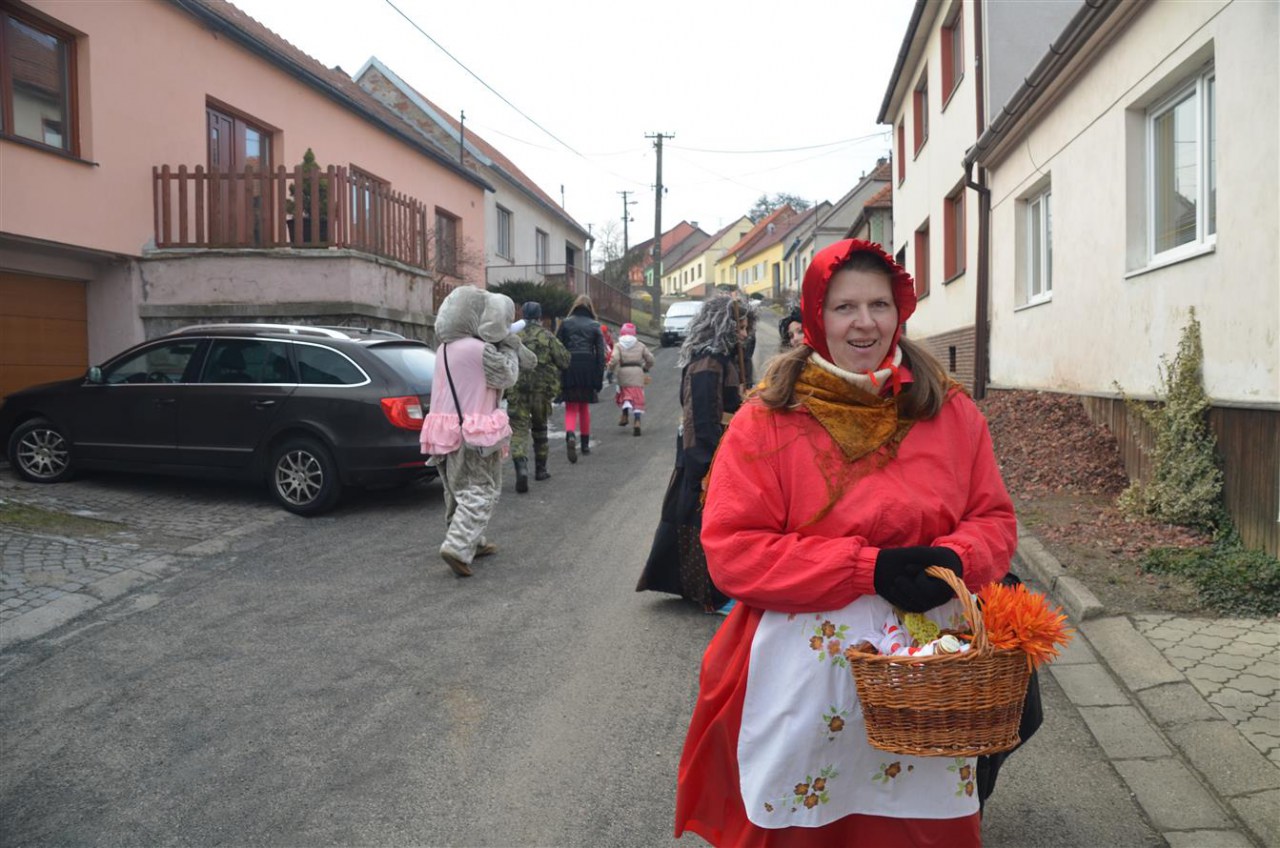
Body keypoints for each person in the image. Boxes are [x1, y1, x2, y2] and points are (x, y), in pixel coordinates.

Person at [672, 239, 1018, 846]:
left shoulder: (950, 411)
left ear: (899, 312)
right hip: (801, 675)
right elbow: (732, 550)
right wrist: (865, 569)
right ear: (815, 317)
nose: (865, 323)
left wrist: (954, 559)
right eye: (844, 307)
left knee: (922, 828)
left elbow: (993, 519)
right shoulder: (767, 420)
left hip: (927, 674)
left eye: (879, 305)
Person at [636, 295, 751, 614]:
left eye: (746, 327)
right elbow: (699, 418)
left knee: (705, 519)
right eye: (739, 327)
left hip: (719, 451)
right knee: (703, 521)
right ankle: (712, 592)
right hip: (704, 453)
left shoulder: (724, 359)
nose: (744, 334)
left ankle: (706, 588)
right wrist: (707, 465)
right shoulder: (707, 363)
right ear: (723, 326)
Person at [420, 285, 535, 577]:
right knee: (482, 490)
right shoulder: (478, 349)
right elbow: (507, 375)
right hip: (472, 432)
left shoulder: (444, 349)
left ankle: (471, 540)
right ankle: (458, 546)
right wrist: (509, 347)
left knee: (456, 491)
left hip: (443, 430)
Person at [508, 301, 571, 493]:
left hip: (517, 390)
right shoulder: (547, 336)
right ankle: (541, 470)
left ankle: (521, 467)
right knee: (540, 429)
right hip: (541, 392)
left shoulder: (514, 337)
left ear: (522, 315)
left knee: (518, 430)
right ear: (540, 316)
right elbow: (564, 360)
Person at [556, 294, 607, 462]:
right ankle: (585, 445)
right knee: (584, 407)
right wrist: (599, 377)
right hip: (587, 367)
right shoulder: (594, 325)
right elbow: (600, 353)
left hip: (569, 366)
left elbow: (557, 347)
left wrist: (559, 371)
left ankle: (570, 435)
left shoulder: (565, 323)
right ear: (590, 308)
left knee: (571, 407)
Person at [608, 321, 655, 436]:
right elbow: (650, 359)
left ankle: (624, 415)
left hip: (623, 372)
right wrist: (645, 368)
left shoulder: (618, 345)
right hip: (637, 372)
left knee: (625, 395)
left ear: (622, 333)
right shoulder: (640, 345)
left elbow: (614, 359)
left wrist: (610, 369)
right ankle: (637, 421)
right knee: (637, 397)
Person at [600, 322, 617, 386]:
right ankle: (607, 376)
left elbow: (612, 345)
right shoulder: (601, 337)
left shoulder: (609, 337)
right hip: (604, 353)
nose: (607, 333)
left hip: (608, 353)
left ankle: (609, 376)